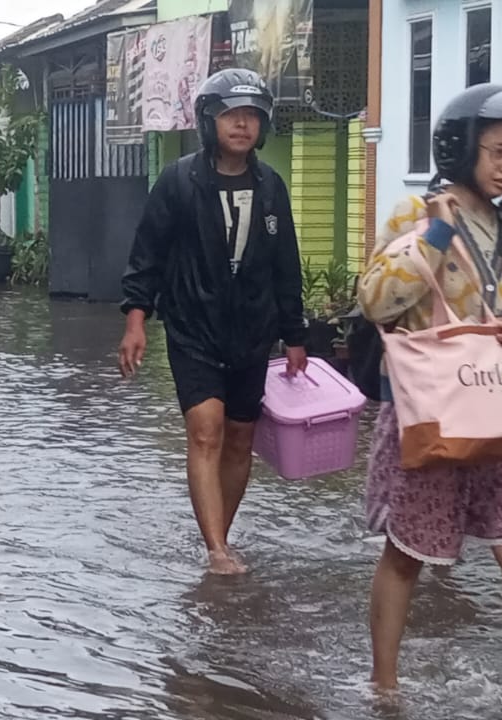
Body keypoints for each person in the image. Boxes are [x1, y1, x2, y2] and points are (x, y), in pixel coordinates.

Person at [359, 84, 502, 717]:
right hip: (429, 414)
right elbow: (377, 300)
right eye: (498, 151)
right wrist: (435, 231)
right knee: (409, 552)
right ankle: (383, 687)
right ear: (463, 147)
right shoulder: (414, 214)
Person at [116, 69, 308, 576]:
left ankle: (221, 532)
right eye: (231, 116)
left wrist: (295, 336)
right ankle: (217, 551)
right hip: (191, 326)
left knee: (241, 437)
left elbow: (287, 265)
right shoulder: (178, 181)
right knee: (206, 430)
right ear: (209, 122)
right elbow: (146, 257)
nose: (242, 125)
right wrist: (136, 321)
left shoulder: (271, 188)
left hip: (252, 330)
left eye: (252, 117)